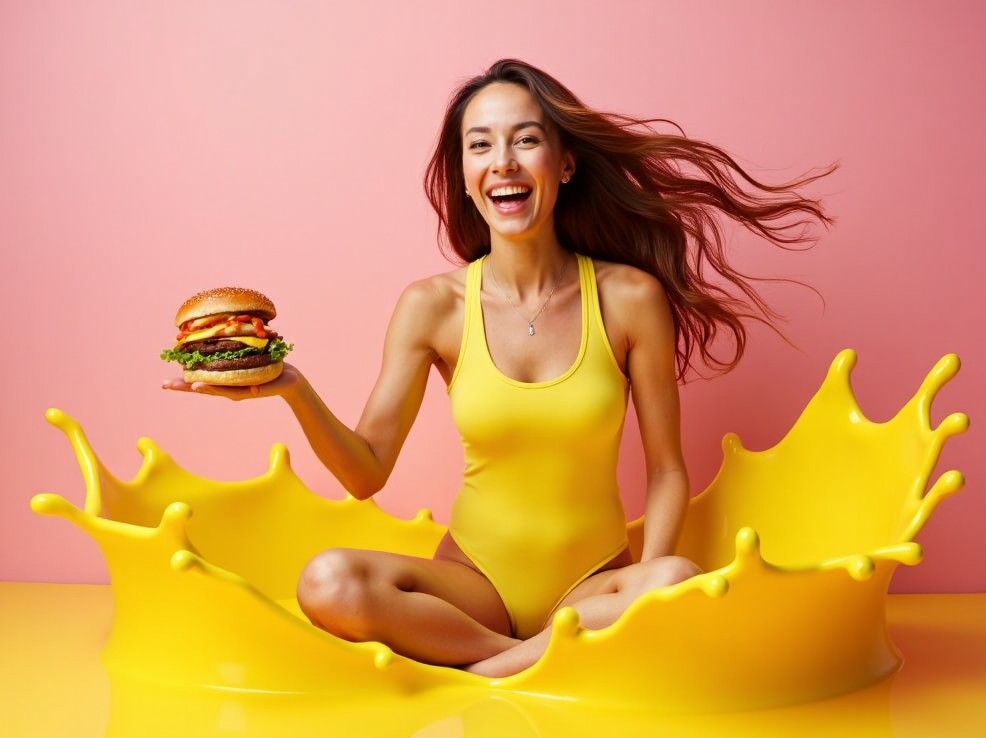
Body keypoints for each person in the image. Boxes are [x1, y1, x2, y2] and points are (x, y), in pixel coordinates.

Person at [163, 59, 832, 677]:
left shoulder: (629, 298)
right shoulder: (433, 307)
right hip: (472, 590)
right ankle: (518, 662)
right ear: (462, 172)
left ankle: (483, 671)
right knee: (326, 581)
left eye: (526, 141)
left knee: (677, 578)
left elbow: (665, 469)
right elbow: (365, 472)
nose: (502, 162)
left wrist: (646, 599)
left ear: (564, 164)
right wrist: (293, 389)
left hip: (594, 587)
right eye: (480, 144)